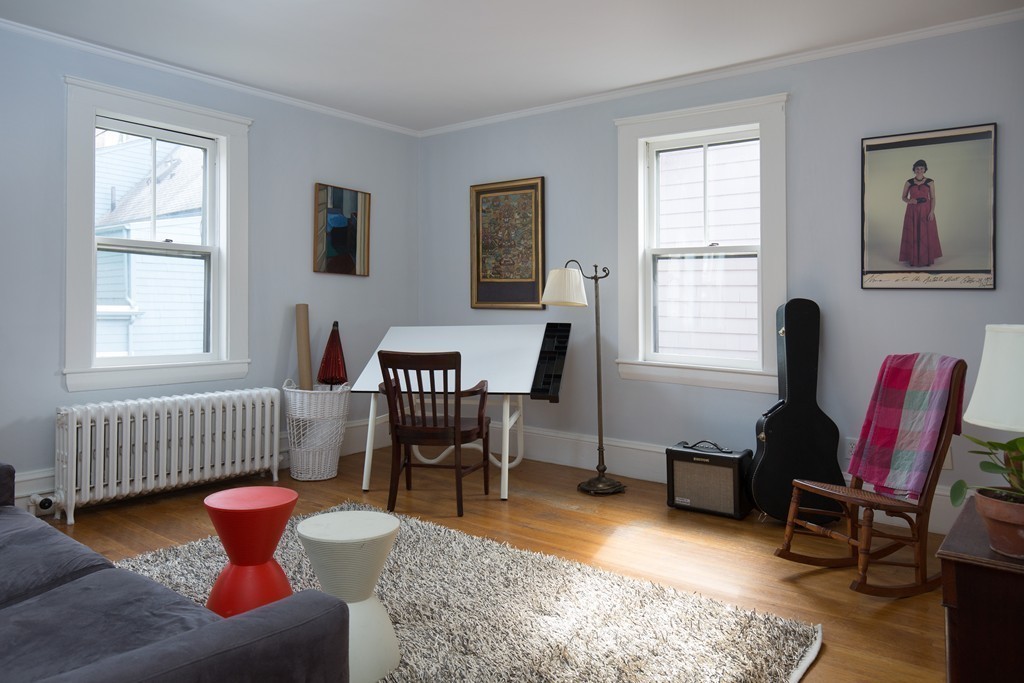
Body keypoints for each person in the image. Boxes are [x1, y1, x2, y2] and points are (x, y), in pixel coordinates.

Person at [898, 159, 941, 267]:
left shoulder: (930, 182)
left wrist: (932, 212)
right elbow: (903, 197)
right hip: (912, 211)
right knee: (913, 232)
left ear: (925, 169)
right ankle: (913, 257)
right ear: (914, 170)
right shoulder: (909, 182)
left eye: (922, 168)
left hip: (926, 210)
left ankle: (926, 259)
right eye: (917, 168)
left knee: (925, 233)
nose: (919, 170)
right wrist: (909, 200)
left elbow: (933, 197)